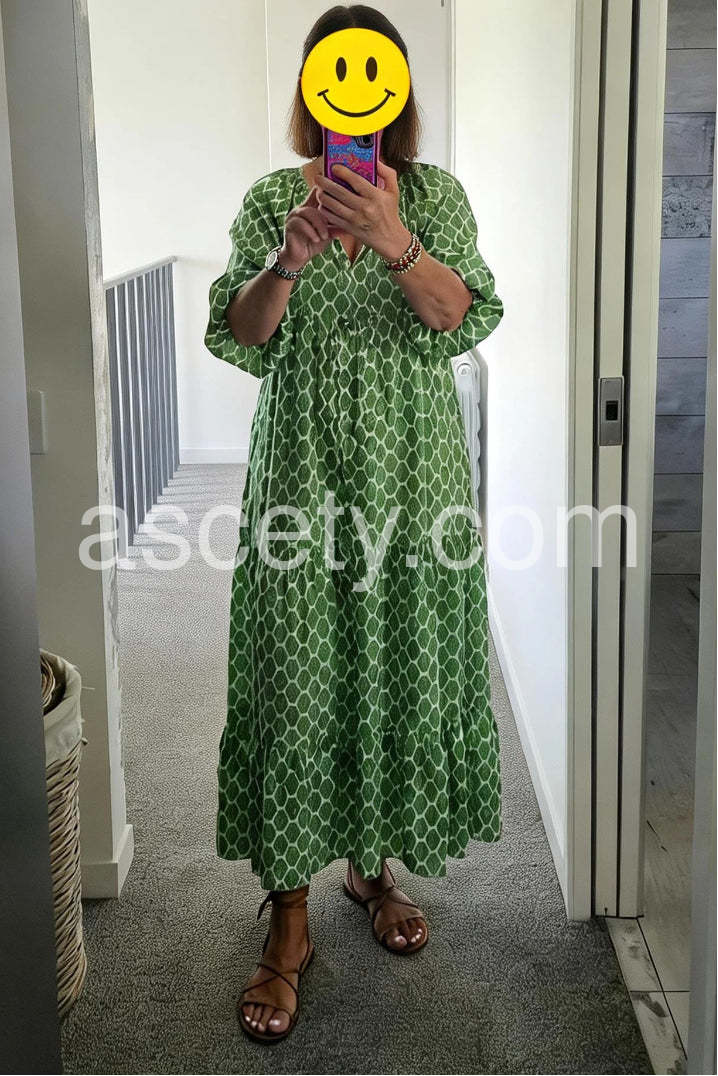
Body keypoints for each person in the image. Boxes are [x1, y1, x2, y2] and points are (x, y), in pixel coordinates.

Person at [204, 3, 504, 1045]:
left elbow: (458, 315)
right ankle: (288, 918)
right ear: (312, 89)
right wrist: (288, 259)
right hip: (299, 479)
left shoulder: (437, 197)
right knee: (298, 678)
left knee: (395, 665)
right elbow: (242, 335)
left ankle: (371, 870)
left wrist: (394, 240)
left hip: (413, 482)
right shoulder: (270, 199)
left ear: (397, 91)